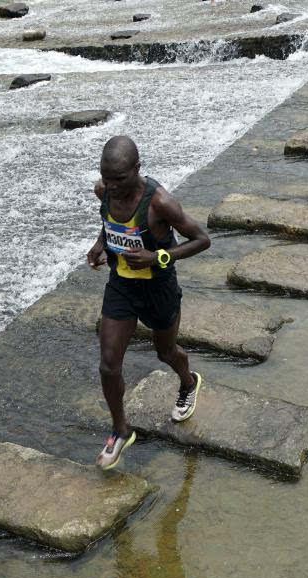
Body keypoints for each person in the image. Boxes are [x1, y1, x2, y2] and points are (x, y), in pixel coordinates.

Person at [87, 136, 211, 470]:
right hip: (122, 286)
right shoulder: (105, 192)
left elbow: (202, 240)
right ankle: (119, 430)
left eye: (119, 179)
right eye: (106, 178)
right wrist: (101, 245)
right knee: (108, 364)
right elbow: (108, 222)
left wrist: (158, 256)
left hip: (158, 289)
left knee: (166, 353)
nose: (111, 186)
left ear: (137, 169)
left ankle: (188, 382)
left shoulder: (160, 203)